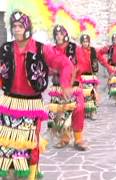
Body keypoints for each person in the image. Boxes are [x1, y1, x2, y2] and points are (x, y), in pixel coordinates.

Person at [0, 11, 73, 179]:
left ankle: (30, 176)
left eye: (20, 26)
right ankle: (10, 176)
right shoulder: (5, 48)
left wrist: (65, 84)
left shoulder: (41, 49)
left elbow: (65, 64)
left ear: (27, 28)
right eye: (14, 26)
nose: (17, 29)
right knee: (7, 145)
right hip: (9, 104)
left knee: (31, 145)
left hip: (31, 106)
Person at [48, 25, 87, 151]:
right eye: (56, 34)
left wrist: (74, 72)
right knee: (60, 112)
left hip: (73, 85)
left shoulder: (74, 48)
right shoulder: (52, 50)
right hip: (58, 86)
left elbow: (81, 63)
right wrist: (53, 70)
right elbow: (48, 66)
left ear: (65, 35)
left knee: (79, 109)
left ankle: (78, 139)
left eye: (61, 34)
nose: (59, 36)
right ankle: (64, 138)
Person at [78, 34, 110, 120]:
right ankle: (85, 112)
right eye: (84, 42)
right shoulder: (78, 51)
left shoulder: (92, 51)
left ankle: (92, 111)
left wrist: (108, 66)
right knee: (83, 95)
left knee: (91, 94)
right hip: (81, 76)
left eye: (87, 42)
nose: (85, 43)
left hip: (90, 75)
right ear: (81, 42)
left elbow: (100, 59)